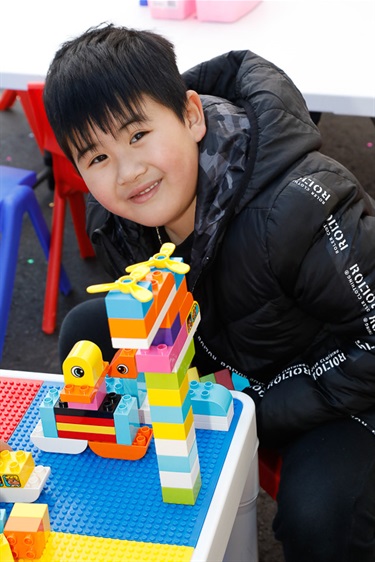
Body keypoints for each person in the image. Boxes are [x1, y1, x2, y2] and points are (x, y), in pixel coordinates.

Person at [43, 24, 375, 561]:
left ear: (192, 115)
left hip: (336, 386)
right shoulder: (118, 218)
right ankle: (130, 512)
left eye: (137, 135)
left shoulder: (300, 206)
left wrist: (252, 406)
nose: (128, 172)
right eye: (97, 158)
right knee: (87, 330)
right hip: (232, 357)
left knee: (320, 513)